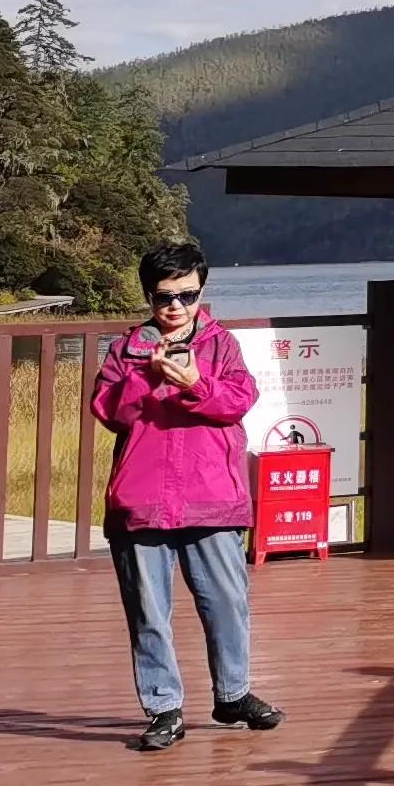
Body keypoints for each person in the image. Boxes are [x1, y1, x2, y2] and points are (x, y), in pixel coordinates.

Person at [89, 240, 283, 752]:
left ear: (201, 290)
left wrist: (197, 383)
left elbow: (239, 402)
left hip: (211, 495)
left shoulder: (222, 345)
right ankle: (163, 708)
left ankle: (233, 695)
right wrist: (147, 378)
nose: (175, 307)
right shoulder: (125, 351)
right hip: (141, 500)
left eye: (187, 295)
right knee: (149, 611)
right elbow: (109, 412)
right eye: (163, 297)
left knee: (226, 602)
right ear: (148, 297)